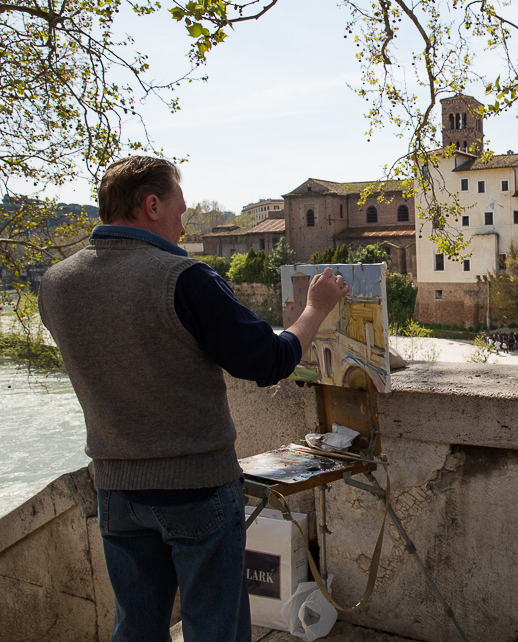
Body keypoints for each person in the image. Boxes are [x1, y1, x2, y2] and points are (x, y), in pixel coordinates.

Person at [38, 156, 350, 642]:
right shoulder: (183, 278)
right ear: (152, 204)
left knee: (136, 627)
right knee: (214, 630)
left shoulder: (55, 284)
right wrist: (315, 308)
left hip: (117, 490)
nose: (185, 227)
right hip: (196, 489)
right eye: (181, 212)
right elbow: (268, 360)